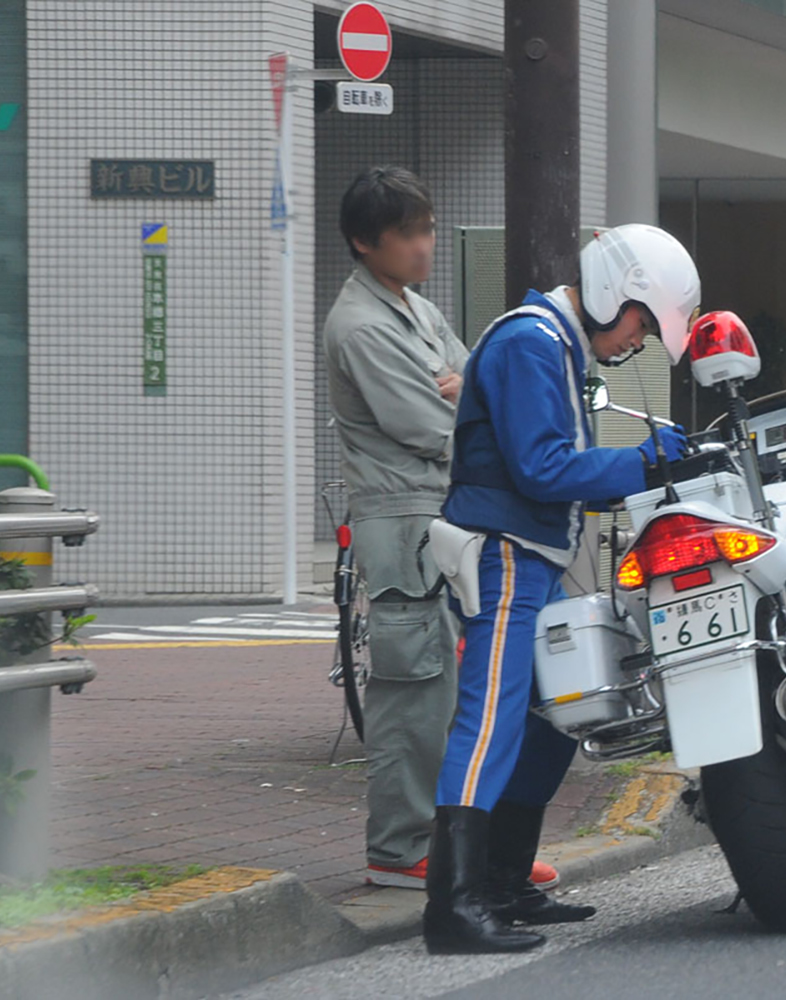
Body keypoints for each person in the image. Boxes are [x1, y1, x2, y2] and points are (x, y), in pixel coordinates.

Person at [423, 224, 701, 955]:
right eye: (643, 322)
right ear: (616, 295)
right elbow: (542, 469)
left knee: (551, 718)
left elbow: (552, 471)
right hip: (504, 555)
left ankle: (506, 883)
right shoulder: (530, 343)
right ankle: (453, 906)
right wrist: (643, 467)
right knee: (492, 721)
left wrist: (642, 467)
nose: (639, 340)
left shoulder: (553, 344)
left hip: (530, 555)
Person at [324, 166, 470, 890]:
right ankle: (400, 848)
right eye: (406, 235)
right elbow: (430, 424)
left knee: (445, 692)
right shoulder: (360, 326)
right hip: (404, 519)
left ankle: (439, 845)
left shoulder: (409, 305)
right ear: (363, 243)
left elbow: (472, 378)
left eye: (427, 229)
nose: (423, 247)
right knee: (413, 695)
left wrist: (464, 383)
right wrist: (462, 389)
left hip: (433, 518)